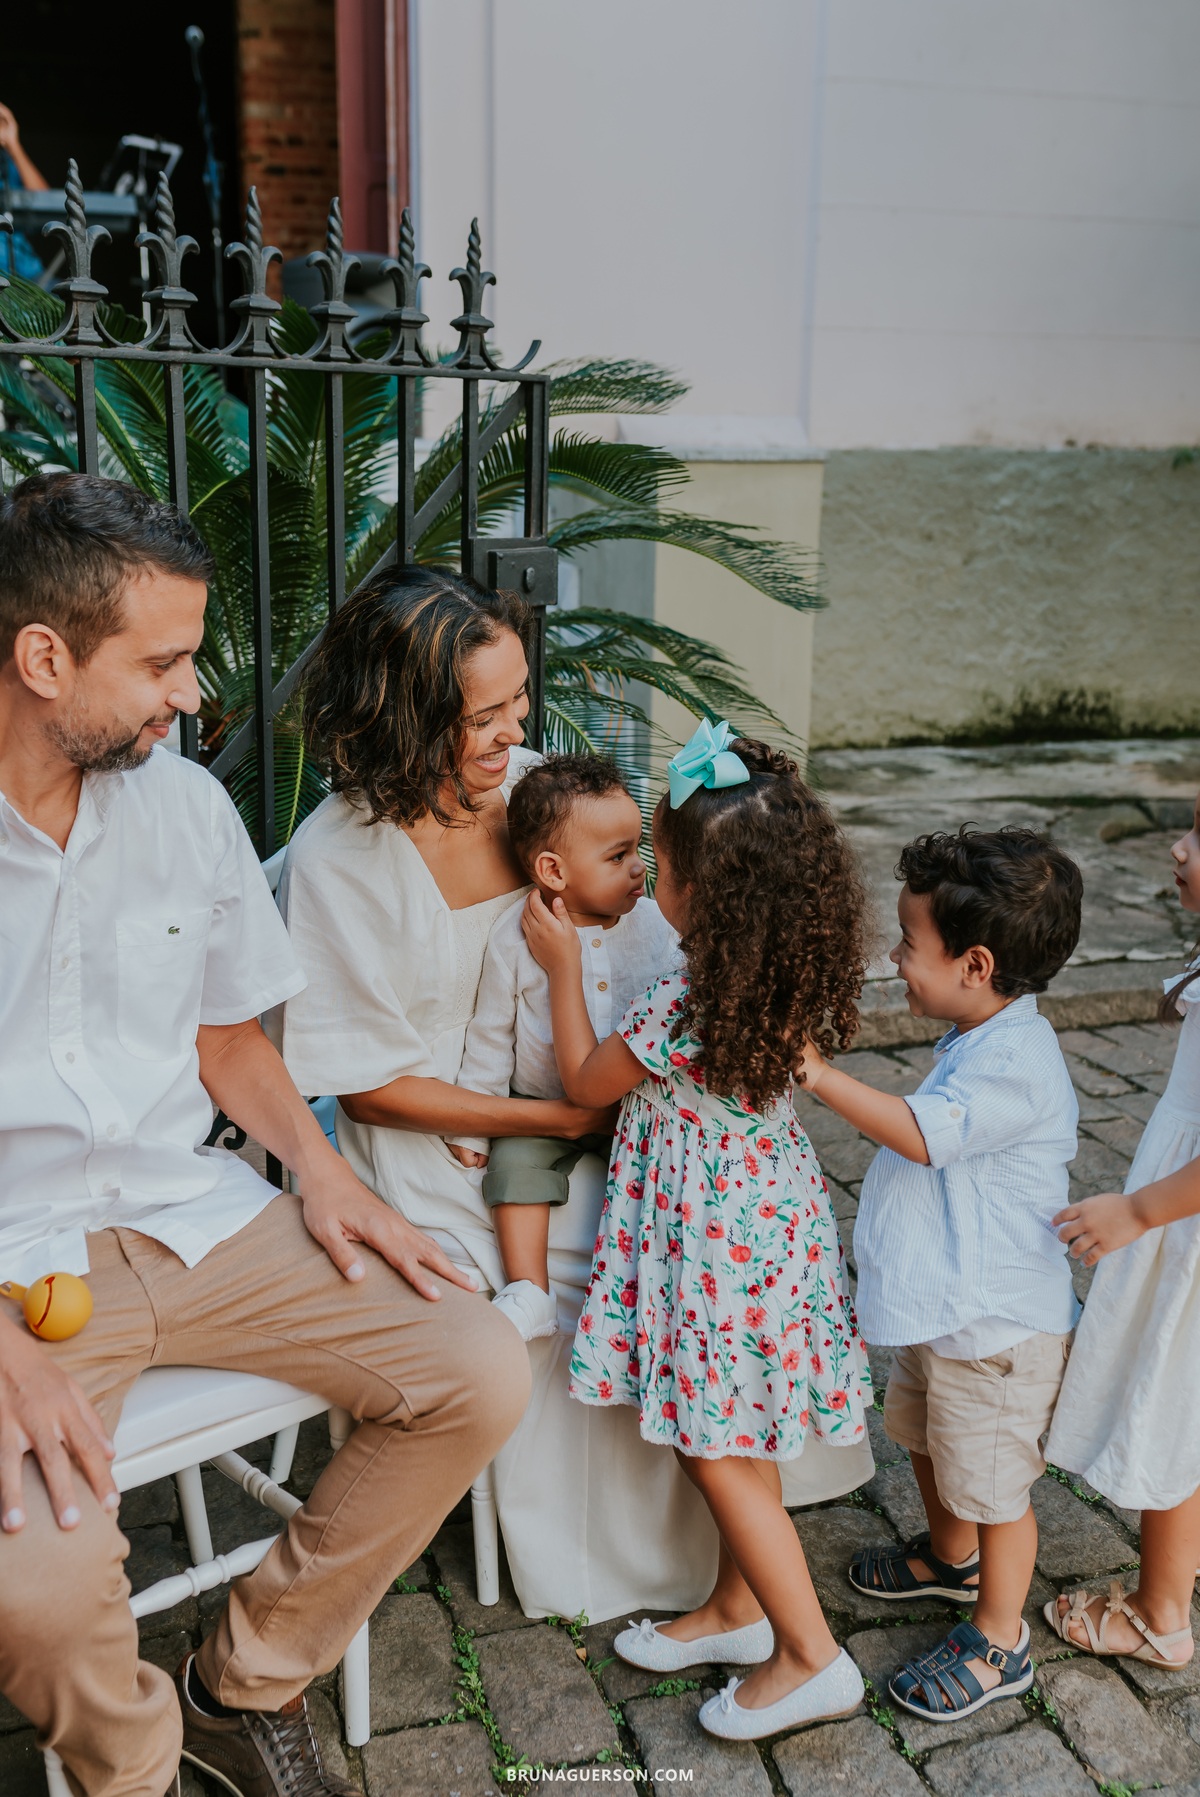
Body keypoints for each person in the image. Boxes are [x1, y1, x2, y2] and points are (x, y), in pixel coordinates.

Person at [0, 473, 530, 1797]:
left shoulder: (182, 807)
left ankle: (239, 1679)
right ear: (44, 656)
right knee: (43, 1604)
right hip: (15, 1269)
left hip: (194, 1212)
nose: (193, 695)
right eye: (165, 662)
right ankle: (138, 1768)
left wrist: (327, 1173)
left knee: (476, 1362)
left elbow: (229, 1040)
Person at [275, 576, 875, 1626]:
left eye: (519, 701)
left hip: (609, 1096)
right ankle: (641, 1552)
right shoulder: (342, 857)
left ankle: (733, 1535)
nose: (518, 732)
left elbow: (652, 954)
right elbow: (368, 1088)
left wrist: (632, 1098)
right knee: (579, 1256)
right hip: (439, 1135)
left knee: (691, 1253)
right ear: (405, 718)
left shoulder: (541, 789)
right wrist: (560, 1122)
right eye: (484, 717)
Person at [522, 724, 873, 1742]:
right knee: (733, 1425)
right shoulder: (774, 972)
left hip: (714, 1239)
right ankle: (738, 1608)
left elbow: (587, 1084)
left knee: (715, 1447)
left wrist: (561, 961)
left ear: (704, 900)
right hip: (767, 1221)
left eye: (659, 866)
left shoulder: (687, 995)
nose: (648, 880)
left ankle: (812, 1658)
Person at [797, 826, 1083, 1722]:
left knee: (993, 1481)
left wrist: (816, 1073)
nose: (894, 957)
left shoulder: (1018, 1064)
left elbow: (923, 1133)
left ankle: (1002, 1637)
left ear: (976, 963)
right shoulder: (979, 1029)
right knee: (923, 1433)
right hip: (946, 1313)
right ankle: (950, 1560)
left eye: (909, 945)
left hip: (998, 1330)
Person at [1041, 788, 1200, 1671]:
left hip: (1186, 1229)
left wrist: (1138, 1211)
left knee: (1175, 1406)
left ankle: (1160, 1613)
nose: (1178, 848)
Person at [446, 753, 676, 1342]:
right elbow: (491, 1035)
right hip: (540, 1106)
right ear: (553, 870)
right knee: (515, 1168)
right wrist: (475, 1125)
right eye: (617, 856)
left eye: (637, 851)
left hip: (636, 1104)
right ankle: (530, 1291)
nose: (637, 870)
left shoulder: (656, 926)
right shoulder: (516, 938)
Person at [0, 103, 50, 281]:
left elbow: (47, 201)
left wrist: (13, 144)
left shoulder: (6, 162)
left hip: (28, 275)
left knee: (90, 306)